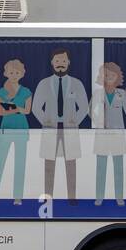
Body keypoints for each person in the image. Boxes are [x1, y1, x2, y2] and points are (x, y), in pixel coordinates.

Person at [32, 48, 89, 202]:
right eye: (57, 61)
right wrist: (46, 120)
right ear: (52, 63)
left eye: (63, 61)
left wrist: (74, 120)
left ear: (69, 62)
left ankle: (72, 197)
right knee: (49, 164)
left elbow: (84, 107)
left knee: (71, 164)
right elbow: (36, 107)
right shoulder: (44, 83)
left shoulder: (76, 83)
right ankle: (47, 197)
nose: (60, 64)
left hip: (69, 129)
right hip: (50, 128)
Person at [0, 59, 31, 205]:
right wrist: (17, 109)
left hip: (22, 130)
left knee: (20, 163)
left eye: (17, 72)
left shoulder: (26, 92)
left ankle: (18, 197)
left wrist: (13, 108)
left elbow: (27, 111)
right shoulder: (2, 92)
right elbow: (0, 112)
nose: (14, 75)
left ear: (22, 74)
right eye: (11, 72)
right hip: (6, 129)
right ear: (6, 73)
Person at [91, 61, 126, 205]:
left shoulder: (121, 94)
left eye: (112, 74)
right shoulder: (98, 93)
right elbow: (89, 111)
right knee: (100, 168)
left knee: (118, 168)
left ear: (117, 77)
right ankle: (99, 197)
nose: (109, 77)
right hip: (102, 135)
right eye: (106, 74)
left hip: (117, 135)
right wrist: (98, 121)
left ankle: (119, 197)